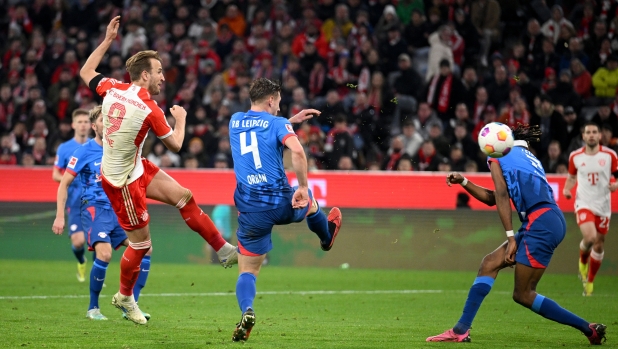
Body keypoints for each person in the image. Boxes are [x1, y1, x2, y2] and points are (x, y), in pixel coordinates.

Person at [79, 16, 237, 325]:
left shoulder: (111, 88)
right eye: (159, 72)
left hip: (135, 167)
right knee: (141, 245)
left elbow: (86, 71)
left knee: (184, 196)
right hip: (121, 182)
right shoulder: (150, 109)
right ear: (144, 75)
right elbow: (177, 145)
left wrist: (108, 40)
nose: (163, 77)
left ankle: (223, 249)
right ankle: (125, 297)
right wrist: (181, 118)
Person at [426, 124, 606, 345]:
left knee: (524, 294)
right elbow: (495, 197)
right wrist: (464, 181)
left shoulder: (497, 157)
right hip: (546, 218)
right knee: (489, 263)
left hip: (540, 223)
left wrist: (511, 238)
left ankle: (588, 329)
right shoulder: (526, 155)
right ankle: (461, 330)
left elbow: (501, 195)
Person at [228, 78, 342, 342]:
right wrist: (302, 185)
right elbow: (298, 153)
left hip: (250, 209)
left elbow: (258, 133)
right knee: (310, 201)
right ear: (270, 99)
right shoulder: (278, 123)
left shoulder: (235, 121)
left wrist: (290, 120)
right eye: (278, 101)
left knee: (248, 271)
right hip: (281, 203)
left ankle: (247, 310)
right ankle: (326, 238)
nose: (279, 107)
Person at [52, 106, 152, 321]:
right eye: (102, 121)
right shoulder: (83, 151)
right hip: (95, 209)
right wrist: (60, 215)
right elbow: (64, 184)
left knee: (147, 249)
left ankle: (131, 306)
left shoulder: (120, 149)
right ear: (94, 126)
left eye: (110, 120)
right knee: (104, 254)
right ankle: (93, 308)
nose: (107, 124)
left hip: (120, 210)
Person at [563, 122, 618, 296]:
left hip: (603, 204)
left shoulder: (610, 155)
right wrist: (566, 189)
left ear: (600, 136)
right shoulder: (575, 156)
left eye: (595, 132)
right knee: (590, 237)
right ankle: (583, 261)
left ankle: (590, 281)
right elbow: (571, 177)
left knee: (599, 244)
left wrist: (615, 184)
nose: (592, 135)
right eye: (589, 132)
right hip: (584, 202)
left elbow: (615, 176)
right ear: (584, 136)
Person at [52, 108, 91, 282]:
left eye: (86, 122)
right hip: (74, 201)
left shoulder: (96, 146)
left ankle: (98, 275)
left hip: (94, 199)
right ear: (73, 125)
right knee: (78, 242)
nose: (83, 125)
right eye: (80, 122)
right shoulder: (65, 148)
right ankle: (81, 261)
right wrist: (70, 179)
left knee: (97, 241)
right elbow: (55, 174)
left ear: (91, 125)